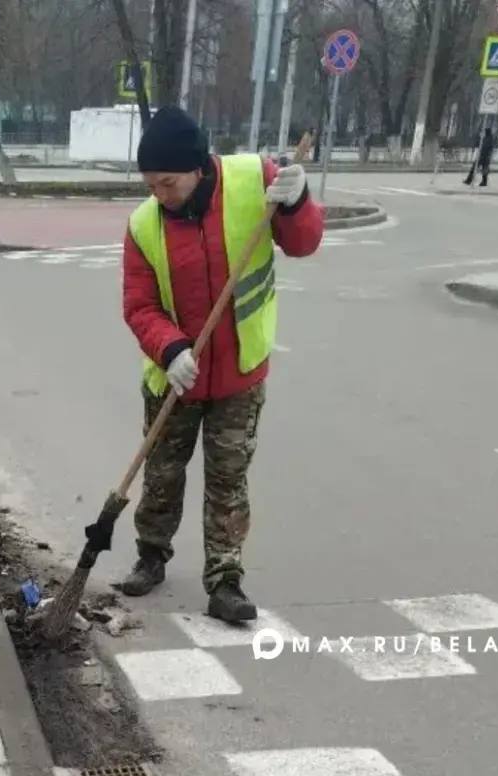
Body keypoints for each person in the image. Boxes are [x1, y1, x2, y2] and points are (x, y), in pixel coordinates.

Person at [117, 107, 324, 624]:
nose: (160, 195)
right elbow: (139, 306)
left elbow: (304, 243)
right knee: (162, 474)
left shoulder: (256, 181)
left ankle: (225, 580)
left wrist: (297, 201)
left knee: (228, 479)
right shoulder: (143, 225)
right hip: (174, 376)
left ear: (197, 167)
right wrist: (170, 350)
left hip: (239, 374)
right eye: (151, 185)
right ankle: (150, 556)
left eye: (167, 183)